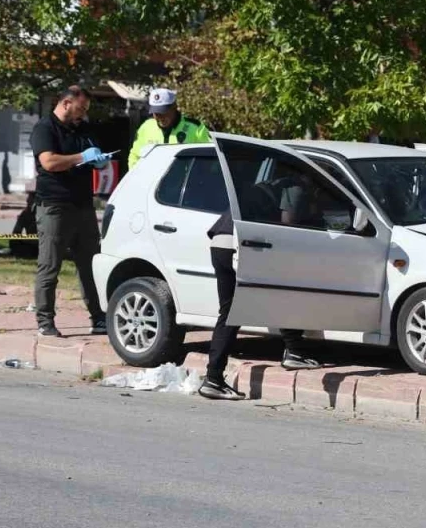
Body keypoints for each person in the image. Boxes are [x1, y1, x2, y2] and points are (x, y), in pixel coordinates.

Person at [197, 210, 321, 401]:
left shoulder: (264, 184)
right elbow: (289, 222)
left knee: (230, 311)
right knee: (283, 289)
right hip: (246, 241)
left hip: (222, 239)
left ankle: (213, 378)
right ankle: (294, 351)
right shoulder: (294, 185)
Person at [30, 84, 109, 338]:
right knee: (50, 265)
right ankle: (45, 321)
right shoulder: (45, 128)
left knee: (90, 265)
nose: (83, 114)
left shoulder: (83, 129)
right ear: (66, 103)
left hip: (83, 206)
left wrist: (100, 160)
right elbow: (49, 162)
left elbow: (94, 153)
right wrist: (80, 157)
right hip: (54, 205)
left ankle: (99, 318)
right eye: (81, 108)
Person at [128, 87, 211, 169]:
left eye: (163, 111)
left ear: (174, 106)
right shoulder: (146, 127)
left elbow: (211, 157)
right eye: (156, 113)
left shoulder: (195, 127)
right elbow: (135, 156)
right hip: (153, 181)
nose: (160, 117)